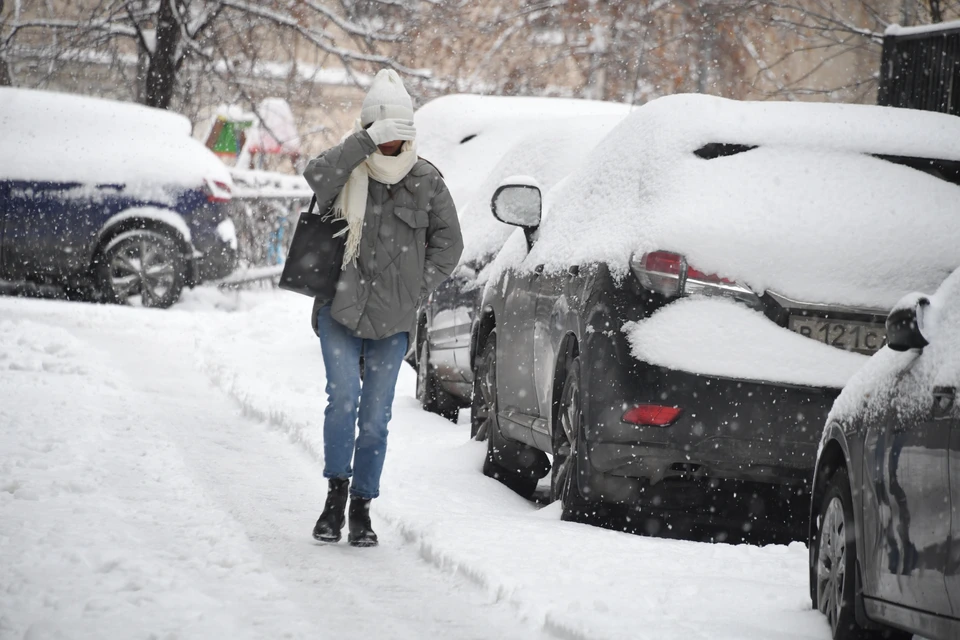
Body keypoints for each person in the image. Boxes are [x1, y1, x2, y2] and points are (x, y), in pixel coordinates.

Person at [302, 69, 463, 547]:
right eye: (383, 137)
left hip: (393, 320)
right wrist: (362, 142)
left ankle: (362, 507)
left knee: (375, 417)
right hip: (340, 308)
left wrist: (417, 289)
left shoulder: (427, 181)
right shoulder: (347, 171)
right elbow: (315, 175)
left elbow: (449, 246)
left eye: (397, 139)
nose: (390, 148)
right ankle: (335, 496)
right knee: (343, 400)